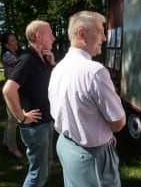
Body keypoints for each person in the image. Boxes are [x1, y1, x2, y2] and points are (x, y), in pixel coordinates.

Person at [48, 11, 126, 187]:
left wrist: (102, 134)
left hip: (66, 145)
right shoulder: (95, 71)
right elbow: (118, 122)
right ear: (81, 33)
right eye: (100, 31)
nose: (104, 38)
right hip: (92, 155)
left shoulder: (59, 68)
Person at [2, 20, 56, 187]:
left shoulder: (43, 58)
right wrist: (21, 117)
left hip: (46, 122)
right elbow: (8, 90)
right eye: (50, 34)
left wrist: (52, 63)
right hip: (35, 127)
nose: (54, 38)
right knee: (37, 174)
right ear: (38, 36)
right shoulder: (26, 59)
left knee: (45, 169)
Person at [0, 32, 24, 159]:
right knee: (13, 120)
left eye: (15, 40)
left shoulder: (13, 54)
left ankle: (6, 141)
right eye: (13, 40)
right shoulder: (8, 56)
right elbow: (23, 64)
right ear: (6, 44)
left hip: (14, 90)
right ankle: (12, 148)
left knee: (11, 119)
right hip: (11, 91)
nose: (16, 42)